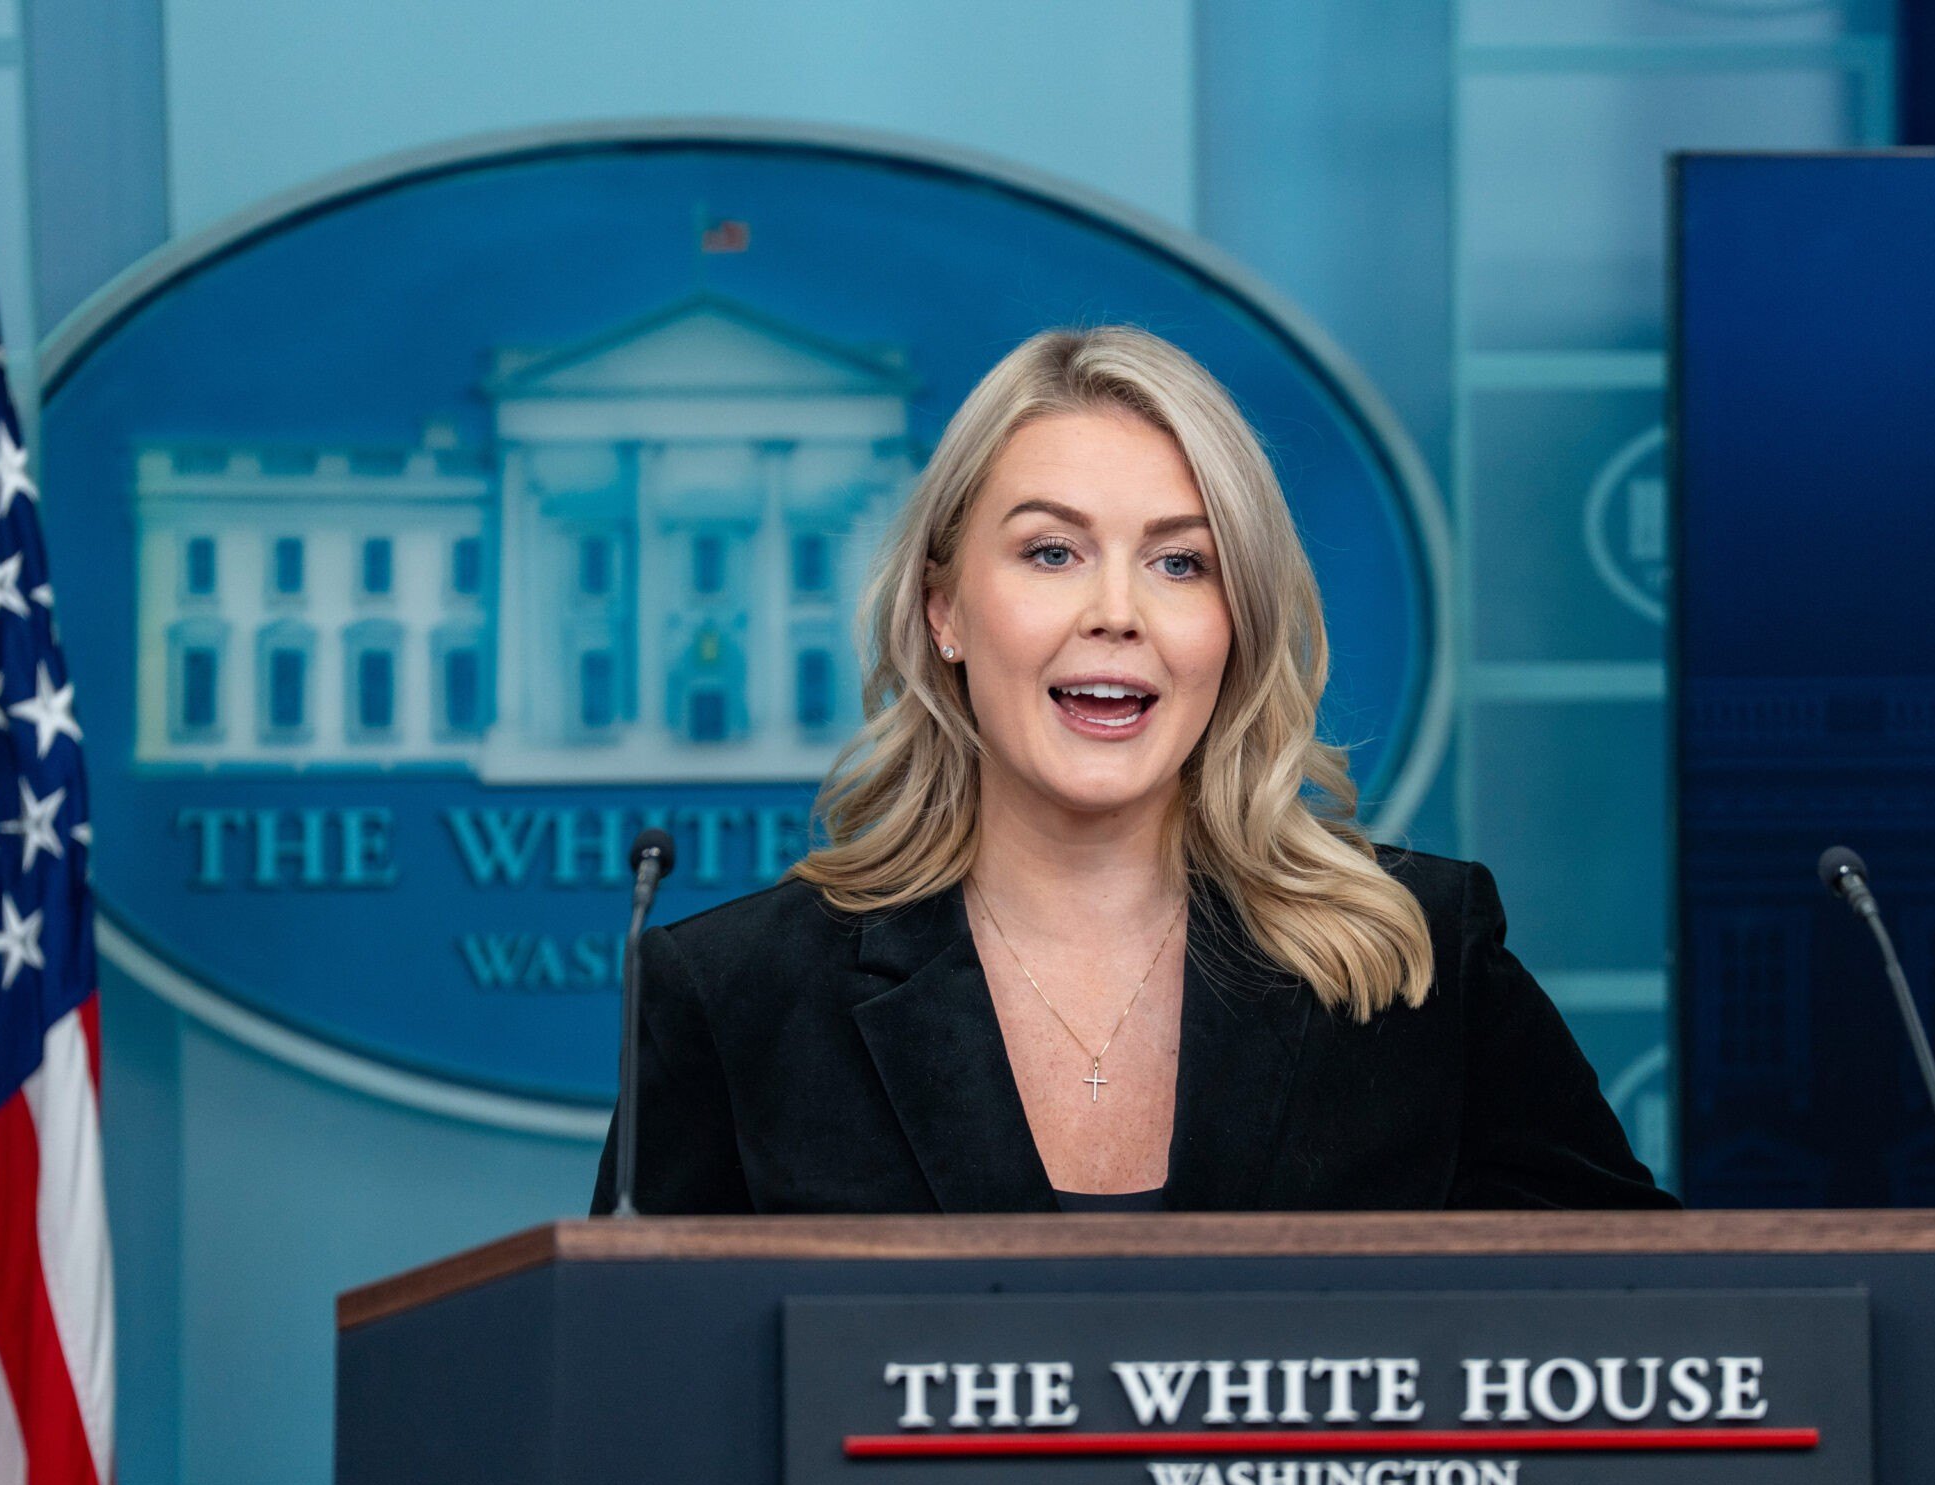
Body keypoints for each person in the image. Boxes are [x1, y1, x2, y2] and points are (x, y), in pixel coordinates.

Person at [591, 326, 1672, 1215]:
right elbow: (630, 1405)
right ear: (945, 610)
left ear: (1235, 625)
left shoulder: (1421, 960)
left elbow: (1654, 1333)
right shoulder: (734, 997)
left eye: (1180, 562)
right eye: (1051, 552)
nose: (1116, 612)